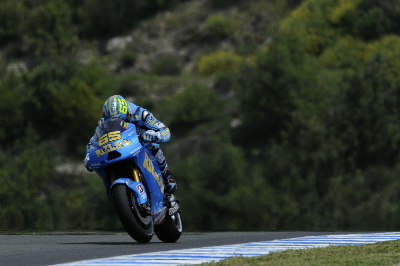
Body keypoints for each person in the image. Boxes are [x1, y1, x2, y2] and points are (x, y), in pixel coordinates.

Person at [84, 95, 177, 194]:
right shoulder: (104, 123)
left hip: (142, 141)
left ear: (128, 113)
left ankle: (167, 177)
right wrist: (89, 155)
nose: (117, 123)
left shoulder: (141, 114)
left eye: (121, 120)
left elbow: (164, 130)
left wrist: (156, 135)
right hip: (120, 146)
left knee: (154, 149)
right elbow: (93, 141)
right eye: (112, 122)